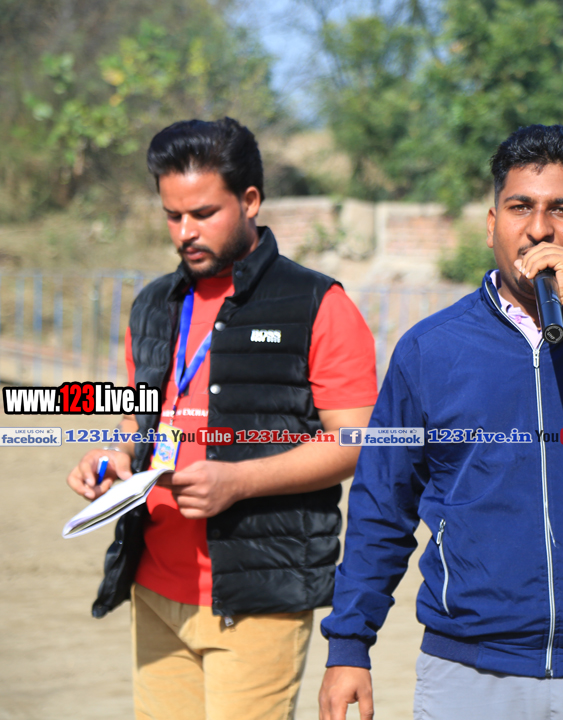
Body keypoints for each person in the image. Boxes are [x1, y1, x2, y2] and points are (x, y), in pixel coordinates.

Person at [318, 124, 563, 719]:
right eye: (520, 207)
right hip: (468, 676)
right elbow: (382, 505)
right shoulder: (430, 349)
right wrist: (349, 644)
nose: (539, 229)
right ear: (491, 224)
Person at [64, 117, 378, 720]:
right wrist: (113, 457)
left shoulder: (318, 304)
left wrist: (239, 481)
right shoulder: (153, 303)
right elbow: (139, 416)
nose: (185, 232)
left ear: (250, 200)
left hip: (257, 599)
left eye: (203, 213)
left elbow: (358, 442)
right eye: (172, 216)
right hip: (154, 586)